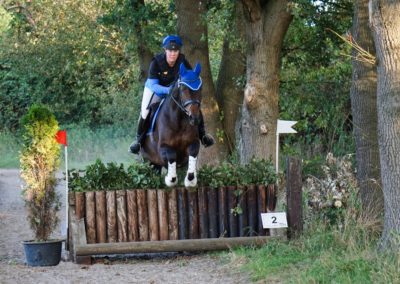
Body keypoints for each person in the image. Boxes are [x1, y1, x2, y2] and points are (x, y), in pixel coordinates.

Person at [129, 35, 215, 154]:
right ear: (165, 50)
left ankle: (203, 136)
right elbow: (154, 85)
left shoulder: (182, 61)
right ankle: (138, 141)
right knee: (145, 111)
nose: (173, 54)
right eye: (170, 50)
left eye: (175, 51)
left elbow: (190, 78)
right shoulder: (156, 62)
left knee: (194, 108)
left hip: (174, 92)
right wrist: (167, 90)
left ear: (179, 51)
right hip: (156, 90)